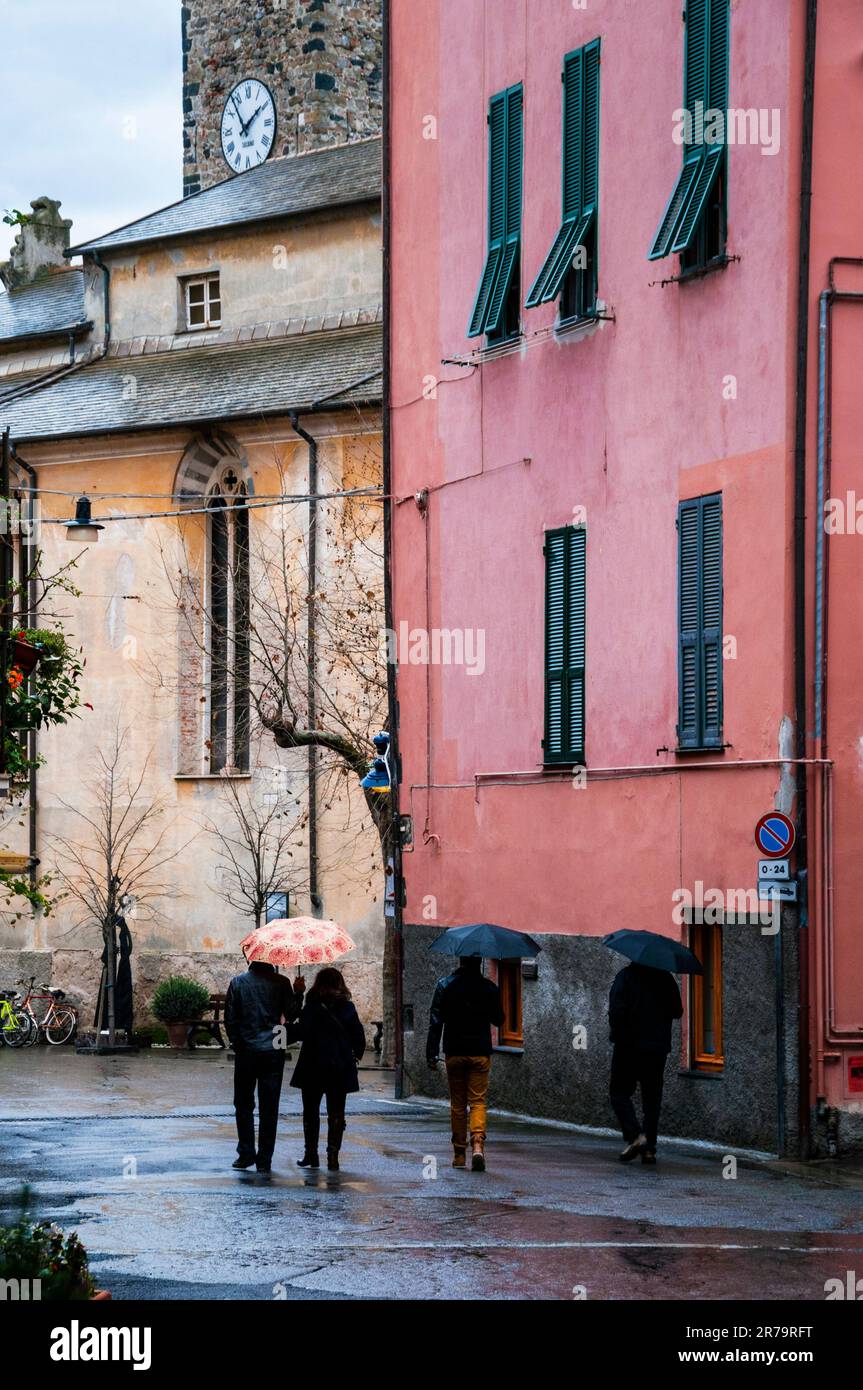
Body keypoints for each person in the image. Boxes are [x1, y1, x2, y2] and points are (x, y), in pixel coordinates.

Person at [225, 958, 304, 1174]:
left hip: (247, 1051)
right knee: (269, 1107)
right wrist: (299, 992)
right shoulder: (282, 982)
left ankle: (245, 1154)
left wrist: (237, 1043)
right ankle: (264, 1160)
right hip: (273, 1050)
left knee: (243, 1104)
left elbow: (230, 1019)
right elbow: (292, 1014)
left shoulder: (238, 983)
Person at [426, 956, 504, 1172]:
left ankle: (459, 1154)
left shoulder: (444, 985)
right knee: (478, 1101)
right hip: (480, 1052)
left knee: (458, 1105)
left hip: (455, 1052)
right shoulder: (489, 987)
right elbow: (499, 1020)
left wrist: (431, 1054)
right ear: (479, 962)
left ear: (460, 960)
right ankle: (478, 1144)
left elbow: (435, 1022)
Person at [287, 967, 366, 1172]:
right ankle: (333, 1156)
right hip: (339, 1065)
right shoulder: (348, 1007)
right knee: (337, 1112)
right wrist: (354, 1057)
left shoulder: (312, 1006)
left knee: (310, 1112)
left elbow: (301, 1031)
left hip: (312, 1064)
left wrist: (299, 993)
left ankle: (311, 1154)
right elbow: (358, 1036)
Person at [608, 960, 683, 1165]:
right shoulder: (666, 978)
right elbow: (678, 1011)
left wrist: (618, 1034)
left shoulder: (625, 977)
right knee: (652, 1100)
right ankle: (649, 1149)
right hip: (656, 1049)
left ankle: (636, 1136)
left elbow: (616, 1010)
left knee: (619, 1093)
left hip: (628, 1047)